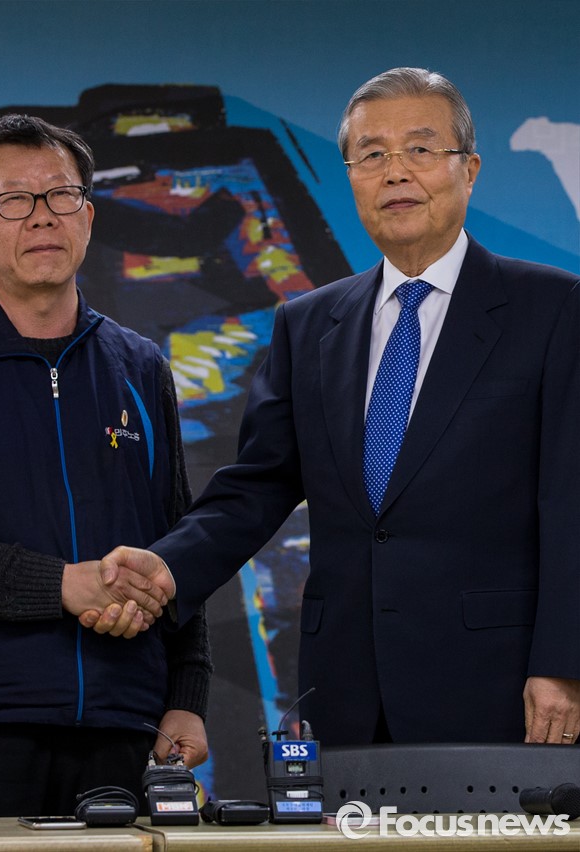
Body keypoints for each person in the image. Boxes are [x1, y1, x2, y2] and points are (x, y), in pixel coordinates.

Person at [85, 67, 580, 748]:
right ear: (351, 177)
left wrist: (564, 664)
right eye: (372, 154)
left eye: (421, 148)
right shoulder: (308, 324)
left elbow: (572, 501)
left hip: (498, 684)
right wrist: (167, 568)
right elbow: (257, 486)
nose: (395, 171)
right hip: (345, 688)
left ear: (469, 170)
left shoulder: (552, 309)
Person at [0, 114, 212, 818]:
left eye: (61, 195)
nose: (41, 216)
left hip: (124, 727)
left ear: (87, 216)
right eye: (12, 199)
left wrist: (186, 695)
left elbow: (176, 540)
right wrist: (63, 586)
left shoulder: (140, 367)